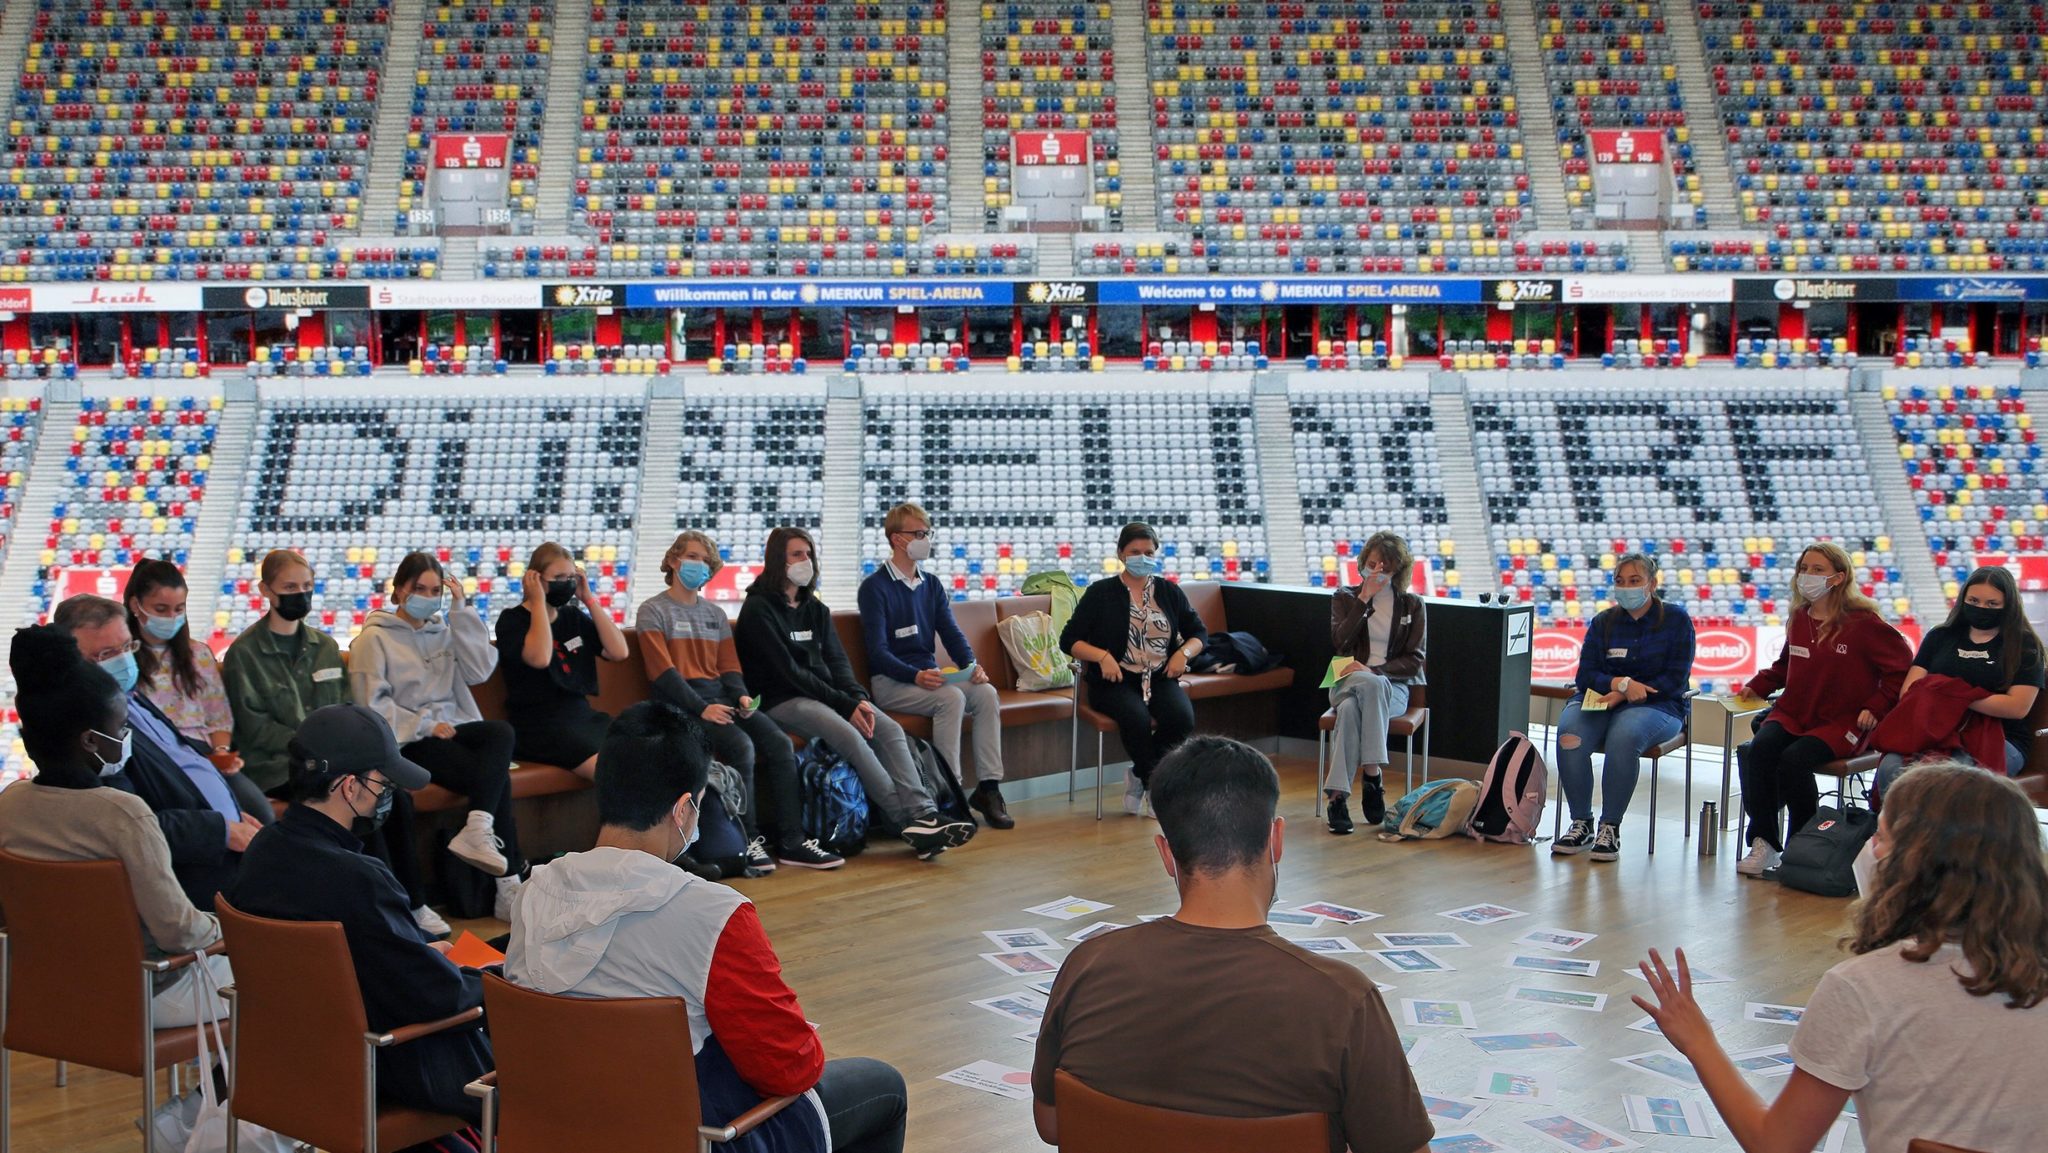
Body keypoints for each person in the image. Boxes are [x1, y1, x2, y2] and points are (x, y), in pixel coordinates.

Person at [505, 702, 907, 1153]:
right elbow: (788, 1069)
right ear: (683, 809)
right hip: (682, 1134)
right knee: (884, 1087)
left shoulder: (533, 893)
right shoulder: (712, 913)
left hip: (558, 1124)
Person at [1030, 736, 1432, 1153]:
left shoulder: (1086, 965)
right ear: (1276, 841)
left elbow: (1053, 1123)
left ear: (1167, 855)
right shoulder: (1345, 999)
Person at [1633, 761, 2047, 1153]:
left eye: (1880, 836)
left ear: (1910, 864)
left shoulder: (1863, 987)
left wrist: (1699, 1041)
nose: (1868, 848)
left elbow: (1776, 1144)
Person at [227, 705, 493, 1135]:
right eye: (384, 783)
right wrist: (496, 979)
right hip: (386, 1061)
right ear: (350, 786)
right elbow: (436, 997)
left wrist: (417, 954)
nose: (389, 794)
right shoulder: (358, 878)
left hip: (294, 1055)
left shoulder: (264, 850)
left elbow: (352, 960)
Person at [0, 624, 231, 1026]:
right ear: (91, 740)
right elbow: (180, 933)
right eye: (121, 727)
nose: (125, 736)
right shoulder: (124, 815)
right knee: (286, 979)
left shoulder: (10, 805)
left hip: (46, 987)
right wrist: (234, 928)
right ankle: (212, 1091)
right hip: (144, 988)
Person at [224, 549, 448, 939]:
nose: (300, 594)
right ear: (266, 590)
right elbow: (255, 728)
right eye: (290, 587)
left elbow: (344, 710)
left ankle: (412, 900)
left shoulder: (325, 646)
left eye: (307, 587)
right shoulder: (245, 653)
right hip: (279, 765)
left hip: (334, 760)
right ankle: (380, 909)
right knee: (359, 797)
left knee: (393, 795)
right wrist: (315, 744)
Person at [734, 526, 975, 860]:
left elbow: (837, 661)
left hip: (829, 696)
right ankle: (908, 821)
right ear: (778, 560)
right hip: (783, 700)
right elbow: (790, 672)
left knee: (888, 728)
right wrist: (846, 705)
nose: (806, 561)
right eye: (796, 554)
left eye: (809, 554)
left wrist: (858, 698)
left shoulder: (815, 609)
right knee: (850, 736)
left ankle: (924, 814)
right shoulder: (758, 609)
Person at [637, 531, 841, 871]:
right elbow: (663, 673)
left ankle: (792, 840)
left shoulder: (715, 614)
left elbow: (728, 666)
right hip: (680, 706)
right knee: (742, 746)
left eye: (705, 560)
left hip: (719, 698)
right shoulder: (653, 610)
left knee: (778, 742)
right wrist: (702, 707)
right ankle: (749, 839)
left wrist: (741, 695)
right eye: (691, 557)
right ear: (673, 561)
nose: (698, 565)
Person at [52, 594, 265, 910]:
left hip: (231, 844)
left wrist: (229, 806)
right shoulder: (89, 736)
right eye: (107, 653)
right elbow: (130, 825)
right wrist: (222, 830)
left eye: (127, 647)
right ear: (73, 660)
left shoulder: (130, 696)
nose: (123, 660)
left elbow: (177, 760)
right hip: (198, 875)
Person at [351, 551, 525, 919]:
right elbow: (373, 705)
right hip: (408, 740)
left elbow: (480, 671)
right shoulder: (373, 639)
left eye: (436, 591)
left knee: (501, 734)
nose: (428, 597)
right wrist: (426, 725)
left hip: (453, 729)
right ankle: (508, 882)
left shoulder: (442, 630)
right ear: (398, 591)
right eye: (419, 589)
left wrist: (461, 611)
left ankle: (479, 828)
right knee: (494, 778)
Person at [1734, 542, 1910, 878]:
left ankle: (1802, 841)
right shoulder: (1800, 618)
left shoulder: (1864, 624)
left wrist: (1876, 706)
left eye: (1817, 570)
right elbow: (1787, 664)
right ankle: (1764, 842)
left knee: (1794, 760)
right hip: (1795, 711)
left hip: (1842, 721)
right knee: (1759, 750)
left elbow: (1901, 671)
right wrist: (1758, 685)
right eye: (1804, 568)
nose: (1807, 576)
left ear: (1838, 578)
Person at [856, 502, 1013, 829]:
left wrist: (972, 666)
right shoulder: (874, 588)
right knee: (951, 698)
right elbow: (877, 652)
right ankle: (949, 792)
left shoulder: (931, 585)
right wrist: (914, 674)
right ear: (898, 539)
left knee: (984, 693)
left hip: (929, 678)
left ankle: (988, 789)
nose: (926, 539)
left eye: (926, 533)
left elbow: (952, 634)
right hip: (892, 682)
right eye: (919, 533)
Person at [1550, 552, 1696, 862]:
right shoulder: (1604, 622)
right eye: (1619, 581)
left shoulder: (1676, 620)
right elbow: (1586, 674)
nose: (1626, 587)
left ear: (1652, 584)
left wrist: (1625, 693)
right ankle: (1582, 823)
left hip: (1661, 705)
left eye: (1634, 581)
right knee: (1569, 734)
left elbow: (1674, 678)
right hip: (1603, 698)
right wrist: (1621, 686)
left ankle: (1610, 827)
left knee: (1624, 736)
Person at [1059, 522, 1207, 816]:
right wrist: (1101, 656)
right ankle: (1156, 786)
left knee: (1181, 718)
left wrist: (1183, 654)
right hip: (1114, 681)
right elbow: (1068, 639)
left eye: (1148, 552)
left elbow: (1199, 633)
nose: (1142, 557)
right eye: (1135, 552)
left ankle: (1139, 774)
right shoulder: (1101, 592)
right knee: (1136, 719)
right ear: (1121, 554)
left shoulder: (1168, 591)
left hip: (1160, 677)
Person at [1872, 565, 2043, 797]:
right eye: (1974, 600)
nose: (1981, 608)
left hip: (2002, 737)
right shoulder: (1939, 637)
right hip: (1932, 731)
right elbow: (1910, 692)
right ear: (1963, 600)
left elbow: (2017, 707)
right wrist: (1960, 697)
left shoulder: (2024, 644)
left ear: (2008, 605)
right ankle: (1898, 831)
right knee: (1891, 768)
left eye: (1992, 604)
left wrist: (1950, 695)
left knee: (1952, 780)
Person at [124, 558, 271, 820]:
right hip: (156, 760)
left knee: (261, 813)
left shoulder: (198, 654)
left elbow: (218, 717)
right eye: (161, 609)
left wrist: (222, 754)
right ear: (136, 605)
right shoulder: (123, 661)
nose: (171, 617)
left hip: (203, 757)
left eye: (178, 609)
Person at [492, 541, 630, 780]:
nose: (566, 584)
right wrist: (537, 602)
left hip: (581, 715)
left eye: (571, 577)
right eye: (559, 577)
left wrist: (588, 599)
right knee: (615, 774)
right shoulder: (512, 621)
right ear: (535, 578)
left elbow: (619, 652)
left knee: (640, 748)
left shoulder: (573, 617)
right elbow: (540, 657)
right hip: (538, 725)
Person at [1323, 531, 1426, 835]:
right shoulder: (1344, 597)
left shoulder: (1412, 605)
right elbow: (1340, 644)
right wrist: (1364, 599)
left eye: (1386, 567)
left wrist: (1375, 670)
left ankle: (1338, 798)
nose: (1377, 572)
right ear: (1363, 563)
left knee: (1352, 709)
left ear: (1398, 571)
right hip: (1345, 677)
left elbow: (1415, 659)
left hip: (1391, 686)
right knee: (1363, 689)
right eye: (1372, 564)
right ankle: (1373, 774)